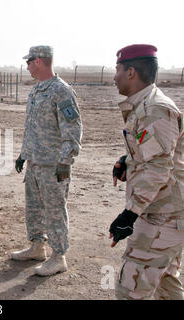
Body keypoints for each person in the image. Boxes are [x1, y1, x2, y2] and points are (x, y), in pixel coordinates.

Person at [110, 44, 184, 300]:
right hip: (164, 213)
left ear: (131, 72)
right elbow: (158, 154)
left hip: (161, 218)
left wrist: (129, 214)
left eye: (117, 69)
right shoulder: (145, 105)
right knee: (166, 284)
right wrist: (127, 162)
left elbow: (159, 167)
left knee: (130, 290)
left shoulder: (156, 109)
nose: (114, 76)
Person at [11, 46, 82, 276]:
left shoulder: (61, 91)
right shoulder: (36, 91)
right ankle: (37, 246)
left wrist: (65, 161)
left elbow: (72, 128)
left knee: (54, 210)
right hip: (35, 162)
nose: (27, 65)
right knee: (34, 208)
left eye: (29, 61)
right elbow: (32, 126)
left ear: (39, 61)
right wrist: (24, 153)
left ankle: (58, 256)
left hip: (53, 165)